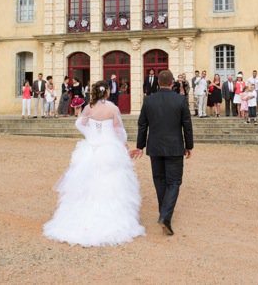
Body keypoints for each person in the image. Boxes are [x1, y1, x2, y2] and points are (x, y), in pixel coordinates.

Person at [43, 81, 145, 247]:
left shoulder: (89, 107)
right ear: (106, 93)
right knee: (111, 182)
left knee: (87, 181)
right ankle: (112, 216)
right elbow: (119, 132)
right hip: (109, 148)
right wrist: (124, 147)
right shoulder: (113, 108)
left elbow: (78, 123)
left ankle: (81, 216)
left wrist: (91, 136)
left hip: (91, 147)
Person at [132, 70, 193, 236]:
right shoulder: (180, 100)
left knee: (159, 180)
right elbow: (187, 124)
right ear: (172, 82)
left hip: (155, 146)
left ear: (158, 82)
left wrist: (140, 145)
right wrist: (189, 145)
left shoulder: (149, 100)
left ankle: (163, 213)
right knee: (173, 182)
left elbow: (142, 124)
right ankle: (165, 216)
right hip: (174, 146)